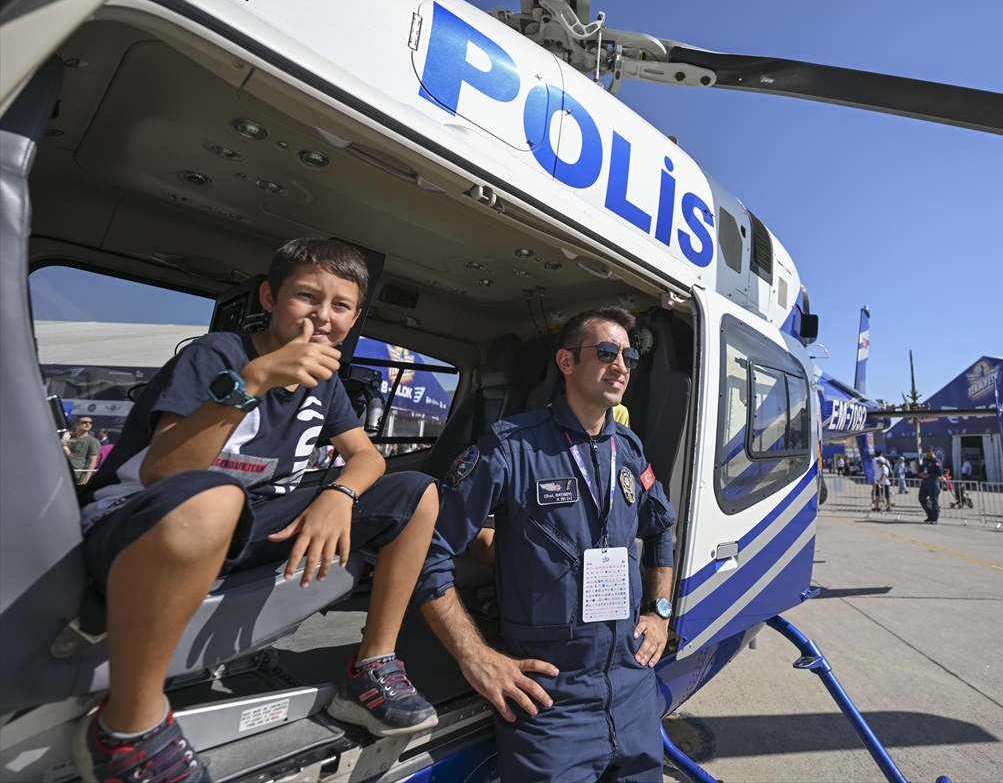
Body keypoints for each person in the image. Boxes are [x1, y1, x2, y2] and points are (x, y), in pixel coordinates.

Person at [74, 239, 441, 783]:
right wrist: (254, 381)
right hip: (144, 522)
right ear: (270, 297)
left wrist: (337, 497)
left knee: (418, 493)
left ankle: (371, 668)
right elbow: (166, 473)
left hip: (248, 524)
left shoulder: (327, 382)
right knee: (216, 498)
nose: (322, 316)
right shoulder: (217, 355)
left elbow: (366, 456)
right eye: (306, 297)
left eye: (340, 306)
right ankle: (128, 728)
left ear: (354, 318)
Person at [416, 307, 676, 782]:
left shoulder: (630, 449)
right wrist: (474, 657)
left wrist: (659, 612)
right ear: (566, 362)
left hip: (632, 687)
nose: (621, 364)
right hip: (551, 698)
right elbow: (429, 550)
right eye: (606, 352)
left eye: (629, 355)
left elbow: (661, 528)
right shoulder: (512, 445)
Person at [65, 415, 102, 485]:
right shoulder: (68, 438)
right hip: (63, 470)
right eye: (84, 422)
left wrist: (86, 479)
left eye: (90, 423)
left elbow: (93, 461)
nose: (88, 424)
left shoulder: (93, 441)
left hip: (77, 475)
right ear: (76, 425)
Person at [917, 446, 942, 523]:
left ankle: (934, 518)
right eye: (927, 451)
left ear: (933, 452)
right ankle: (930, 515)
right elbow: (921, 469)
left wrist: (929, 475)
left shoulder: (936, 461)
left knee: (934, 501)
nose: (927, 452)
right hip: (925, 483)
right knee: (921, 498)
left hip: (933, 483)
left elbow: (940, 472)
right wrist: (920, 474)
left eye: (929, 451)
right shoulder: (925, 461)